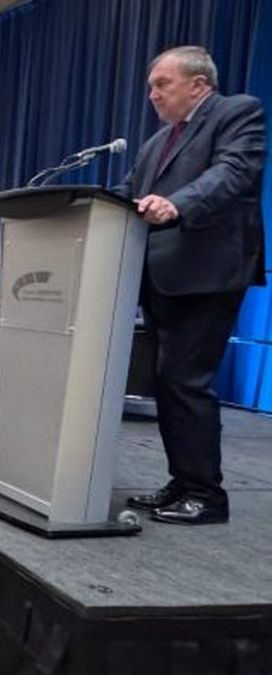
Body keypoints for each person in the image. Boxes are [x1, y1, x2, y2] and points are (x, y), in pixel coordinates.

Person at [115, 46, 266, 525]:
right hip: (164, 275)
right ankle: (182, 482)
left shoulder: (237, 112)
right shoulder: (156, 142)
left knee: (187, 380)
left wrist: (177, 203)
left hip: (207, 272)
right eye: (150, 87)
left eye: (163, 84)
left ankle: (207, 495)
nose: (153, 95)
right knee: (168, 383)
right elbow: (127, 194)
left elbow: (234, 174)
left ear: (198, 84)